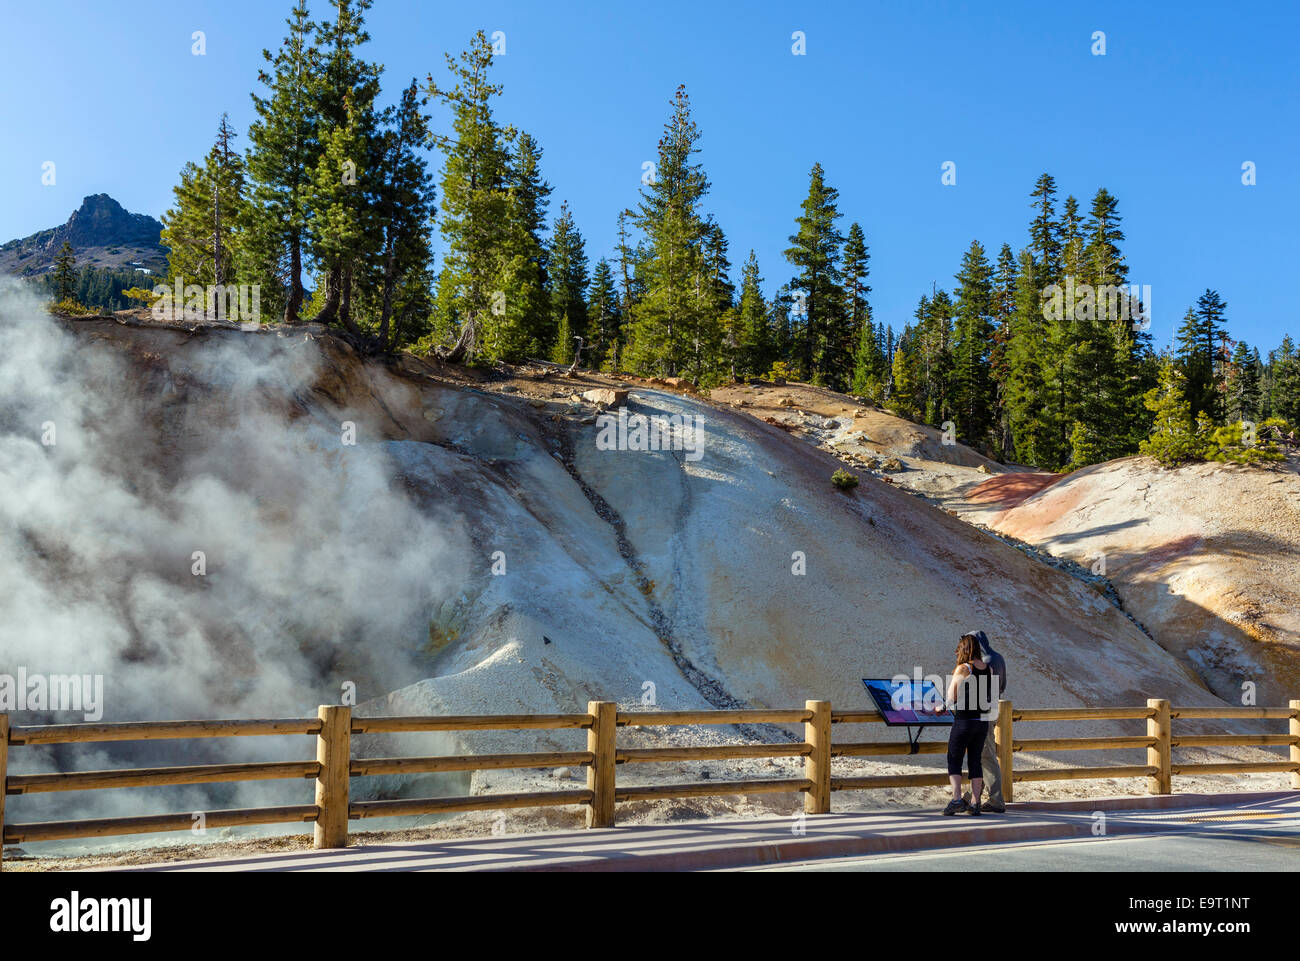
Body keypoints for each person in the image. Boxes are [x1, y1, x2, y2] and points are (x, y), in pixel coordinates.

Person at [942, 632, 993, 816]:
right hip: (982, 721)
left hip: (964, 720)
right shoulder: (988, 668)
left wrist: (941, 708)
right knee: (975, 761)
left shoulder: (964, 668)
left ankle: (956, 800)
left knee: (954, 758)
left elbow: (951, 697)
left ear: (963, 649)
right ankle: (975, 803)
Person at [967, 630, 1007, 813]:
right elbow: (1003, 686)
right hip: (992, 708)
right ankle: (973, 796)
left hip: (983, 711)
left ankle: (996, 799)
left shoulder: (984, 661)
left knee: (986, 755)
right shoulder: (998, 657)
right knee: (982, 753)